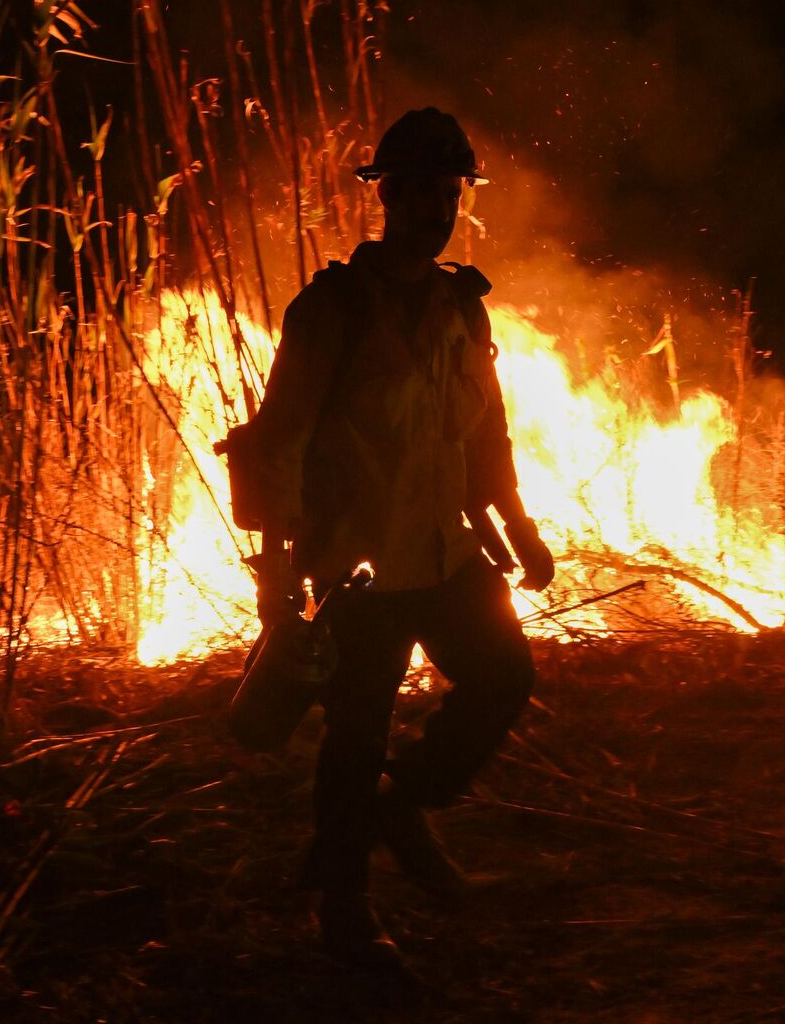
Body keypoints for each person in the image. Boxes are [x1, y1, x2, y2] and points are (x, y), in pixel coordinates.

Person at [233, 107, 556, 968]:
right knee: (356, 735)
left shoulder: (462, 307)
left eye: (450, 194)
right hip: (359, 569)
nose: (436, 210)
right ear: (387, 196)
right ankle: (345, 912)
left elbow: (485, 435)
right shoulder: (332, 311)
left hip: (447, 552)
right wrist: (276, 586)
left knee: (504, 677)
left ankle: (398, 805)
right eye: (419, 192)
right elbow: (278, 445)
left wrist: (518, 525)